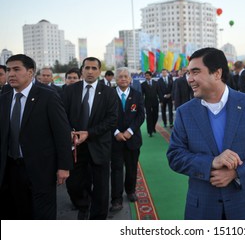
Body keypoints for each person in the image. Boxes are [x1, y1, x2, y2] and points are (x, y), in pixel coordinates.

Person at [167, 47, 245, 220]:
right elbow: (175, 156)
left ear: (217, 73)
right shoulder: (185, 112)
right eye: (188, 73)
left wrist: (237, 173)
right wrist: (211, 163)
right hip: (202, 209)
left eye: (196, 72)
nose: (189, 79)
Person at [0, 54, 73, 219]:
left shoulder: (48, 96)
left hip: (41, 169)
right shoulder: (3, 99)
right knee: (17, 212)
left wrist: (64, 166)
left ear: (30, 72)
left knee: (42, 215)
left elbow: (62, 133)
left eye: (16, 69)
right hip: (11, 168)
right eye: (8, 70)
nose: (11, 74)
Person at [62, 57, 118, 220]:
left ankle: (98, 218)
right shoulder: (70, 90)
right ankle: (83, 205)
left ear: (99, 71)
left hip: (99, 145)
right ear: (82, 70)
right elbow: (62, 115)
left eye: (94, 68)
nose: (90, 71)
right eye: (87, 68)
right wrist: (70, 132)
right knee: (74, 184)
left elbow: (112, 119)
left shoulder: (108, 92)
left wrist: (89, 133)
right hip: (75, 146)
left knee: (101, 187)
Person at [110, 68, 145, 212]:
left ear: (130, 79)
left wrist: (130, 131)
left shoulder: (137, 95)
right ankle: (116, 198)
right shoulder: (109, 95)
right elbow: (105, 115)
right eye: (120, 77)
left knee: (131, 168)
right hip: (115, 140)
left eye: (126, 76)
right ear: (116, 79)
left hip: (133, 139)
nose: (123, 79)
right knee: (116, 169)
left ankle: (130, 191)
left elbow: (141, 115)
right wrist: (116, 132)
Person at [141, 71, 159, 137]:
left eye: (148, 75)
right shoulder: (143, 84)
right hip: (147, 102)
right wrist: (142, 103)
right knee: (149, 117)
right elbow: (142, 94)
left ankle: (153, 127)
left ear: (151, 76)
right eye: (146, 76)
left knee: (155, 115)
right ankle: (150, 131)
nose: (147, 77)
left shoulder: (156, 83)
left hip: (155, 102)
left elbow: (158, 92)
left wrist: (161, 100)